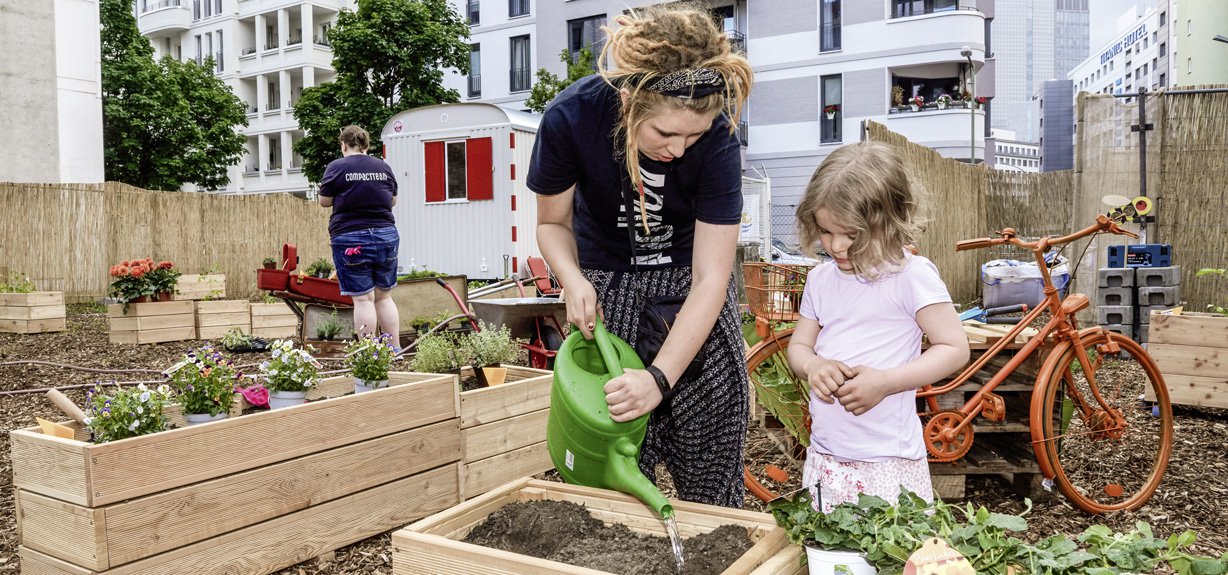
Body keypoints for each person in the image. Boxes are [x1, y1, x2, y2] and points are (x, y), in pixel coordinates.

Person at [527, 4, 753, 508]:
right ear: (628, 99)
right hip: (607, 293)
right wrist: (572, 280)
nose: (679, 148)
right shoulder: (571, 116)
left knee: (713, 474)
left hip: (690, 301)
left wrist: (659, 378)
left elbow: (711, 279)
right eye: (665, 134)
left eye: (692, 136)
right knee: (612, 484)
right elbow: (550, 223)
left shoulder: (716, 140)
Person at [788, 141, 970, 513]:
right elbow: (799, 348)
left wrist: (885, 382)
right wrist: (814, 366)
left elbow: (954, 347)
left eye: (852, 234)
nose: (836, 246)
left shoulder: (911, 276)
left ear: (888, 222)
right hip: (826, 455)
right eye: (825, 231)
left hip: (888, 460)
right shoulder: (821, 280)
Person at [318, 125, 400, 346]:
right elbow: (392, 200)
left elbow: (324, 201)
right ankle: (394, 349)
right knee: (384, 297)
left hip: (351, 237)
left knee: (363, 299)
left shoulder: (337, 167)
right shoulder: (383, 167)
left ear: (344, 144)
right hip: (386, 235)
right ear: (366, 145)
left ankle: (369, 353)